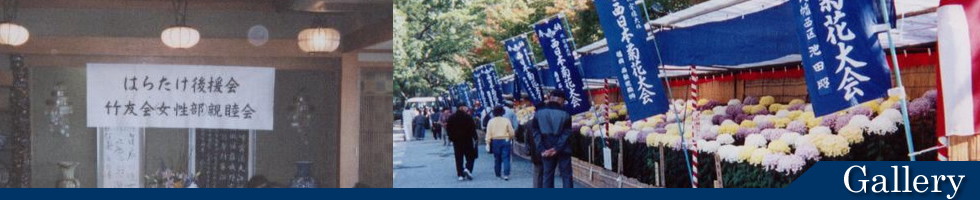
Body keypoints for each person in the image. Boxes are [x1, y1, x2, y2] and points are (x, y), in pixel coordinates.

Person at [530, 90, 574, 188]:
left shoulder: (539, 113)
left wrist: (542, 149)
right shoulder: (566, 114)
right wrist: (556, 148)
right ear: (560, 100)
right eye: (563, 101)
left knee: (548, 175)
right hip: (563, 149)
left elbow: (536, 133)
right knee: (566, 175)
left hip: (545, 148)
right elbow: (566, 133)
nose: (564, 103)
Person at [446, 104, 479, 181]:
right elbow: (472, 129)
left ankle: (460, 174)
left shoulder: (451, 117)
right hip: (467, 140)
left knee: (458, 158)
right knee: (470, 156)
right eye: (465, 107)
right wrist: (475, 137)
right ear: (462, 108)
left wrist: (451, 138)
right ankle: (468, 169)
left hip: (456, 141)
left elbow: (448, 129)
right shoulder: (468, 117)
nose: (466, 108)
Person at [485, 106, 514, 181]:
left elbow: (488, 133)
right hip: (505, 140)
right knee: (506, 158)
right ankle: (506, 174)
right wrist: (510, 137)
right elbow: (511, 132)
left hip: (495, 140)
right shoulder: (506, 120)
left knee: (497, 159)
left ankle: (498, 174)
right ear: (502, 112)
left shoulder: (491, 121)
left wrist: (488, 142)